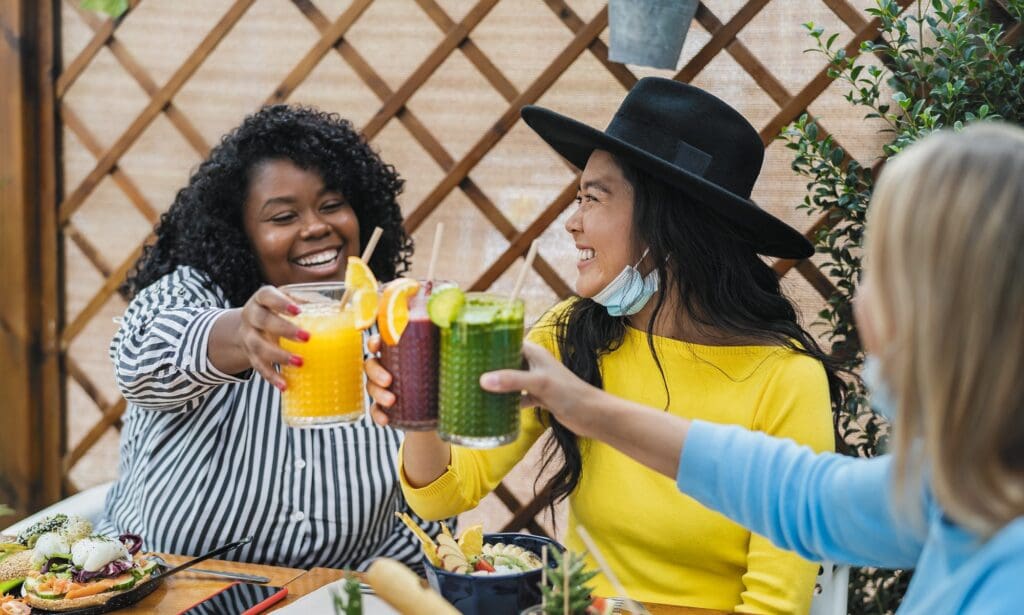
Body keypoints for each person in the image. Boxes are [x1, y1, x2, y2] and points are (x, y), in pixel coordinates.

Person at [481, 123, 1024, 613]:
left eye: (882, 273)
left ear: (959, 318)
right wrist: (585, 407)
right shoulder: (957, 492)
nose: (861, 302)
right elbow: (798, 495)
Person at [367, 78, 841, 612]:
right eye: (577, 198)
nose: (572, 223)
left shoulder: (787, 379)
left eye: (592, 198)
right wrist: (420, 411)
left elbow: (776, 606)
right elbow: (444, 495)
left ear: (668, 223)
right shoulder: (572, 335)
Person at [99, 104, 441, 571]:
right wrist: (241, 333)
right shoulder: (195, 293)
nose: (316, 227)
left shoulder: (391, 322)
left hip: (333, 599)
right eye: (283, 217)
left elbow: (422, 526)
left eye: (332, 205)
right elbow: (138, 361)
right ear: (240, 233)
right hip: (167, 594)